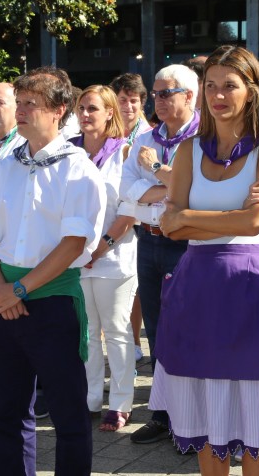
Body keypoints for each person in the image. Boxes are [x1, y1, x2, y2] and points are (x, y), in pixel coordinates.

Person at [152, 45, 259, 476]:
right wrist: (226, 216)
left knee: (257, 422)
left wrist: (188, 216)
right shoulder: (189, 150)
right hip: (198, 286)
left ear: (252, 90)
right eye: (210, 86)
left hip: (252, 288)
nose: (217, 95)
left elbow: (255, 222)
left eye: (229, 85)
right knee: (207, 416)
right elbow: (169, 227)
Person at [0, 67, 105, 476]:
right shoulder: (7, 164)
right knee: (5, 412)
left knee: (68, 415)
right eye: (20, 102)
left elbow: (72, 244)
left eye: (31, 103)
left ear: (59, 110)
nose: (21, 111)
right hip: (5, 300)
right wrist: (2, 289)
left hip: (52, 302)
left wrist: (20, 289)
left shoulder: (77, 168)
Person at [120, 64, 200, 444]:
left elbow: (195, 191)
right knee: (155, 329)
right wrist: (170, 187)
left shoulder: (203, 138)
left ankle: (192, 418)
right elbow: (126, 190)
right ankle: (163, 413)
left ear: (189, 95)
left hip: (186, 243)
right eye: (155, 93)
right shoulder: (145, 138)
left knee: (187, 328)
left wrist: (155, 171)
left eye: (166, 93)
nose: (158, 100)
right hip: (148, 240)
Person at [70, 85, 137, 431]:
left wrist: (101, 247)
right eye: (81, 108)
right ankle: (89, 399)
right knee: (86, 332)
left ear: (110, 112)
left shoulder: (124, 152)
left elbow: (130, 208)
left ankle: (121, 403)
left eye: (92, 108)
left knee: (116, 330)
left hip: (114, 255)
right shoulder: (69, 151)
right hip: (75, 256)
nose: (84, 114)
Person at [108, 73, 151, 362]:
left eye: (133, 100)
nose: (128, 106)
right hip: (111, 215)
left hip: (138, 221)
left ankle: (134, 341)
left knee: (135, 289)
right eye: (122, 100)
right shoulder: (108, 133)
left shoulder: (148, 136)